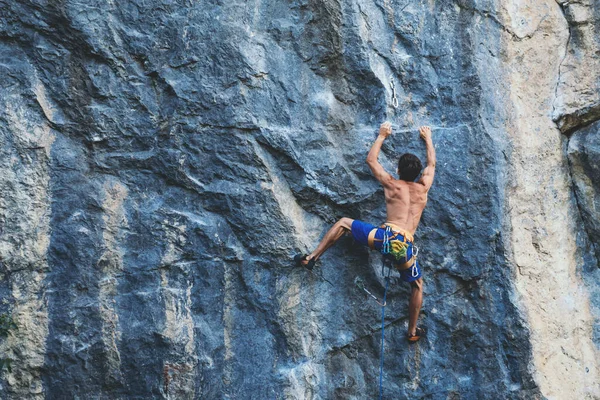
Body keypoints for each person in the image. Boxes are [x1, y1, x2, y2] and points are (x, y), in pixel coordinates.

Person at [295, 122, 436, 343]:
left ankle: (312, 257)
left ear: (398, 170)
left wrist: (382, 135)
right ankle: (412, 331)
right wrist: (427, 138)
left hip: (384, 238)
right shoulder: (423, 188)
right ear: (418, 174)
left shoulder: (392, 184)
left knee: (344, 223)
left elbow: (371, 161)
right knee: (417, 285)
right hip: (405, 248)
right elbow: (432, 164)